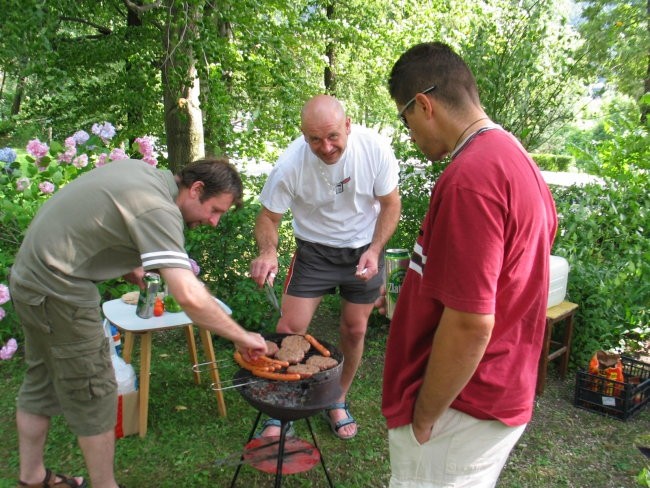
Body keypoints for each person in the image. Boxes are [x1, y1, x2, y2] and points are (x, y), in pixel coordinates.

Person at [9, 158, 267, 488]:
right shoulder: (159, 209)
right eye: (215, 210)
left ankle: (32, 478)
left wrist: (127, 265)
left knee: (40, 380)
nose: (214, 222)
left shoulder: (146, 176)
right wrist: (241, 336)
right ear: (196, 189)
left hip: (31, 278)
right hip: (58, 289)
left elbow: (99, 223)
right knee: (96, 392)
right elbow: (188, 295)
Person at [381, 42, 558, 487]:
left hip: (461, 406)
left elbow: (470, 323)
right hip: (492, 390)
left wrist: (425, 414)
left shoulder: (472, 178)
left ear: (423, 105)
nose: (410, 135)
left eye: (406, 121)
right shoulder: (515, 159)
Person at [250, 94, 401, 440]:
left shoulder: (374, 149)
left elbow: (391, 204)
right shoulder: (291, 164)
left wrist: (375, 250)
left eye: (333, 136)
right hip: (314, 253)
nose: (326, 147)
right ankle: (283, 404)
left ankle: (337, 398)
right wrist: (268, 251)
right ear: (304, 136)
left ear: (348, 125)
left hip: (364, 250)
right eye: (315, 139)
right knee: (290, 328)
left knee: (354, 330)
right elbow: (267, 217)